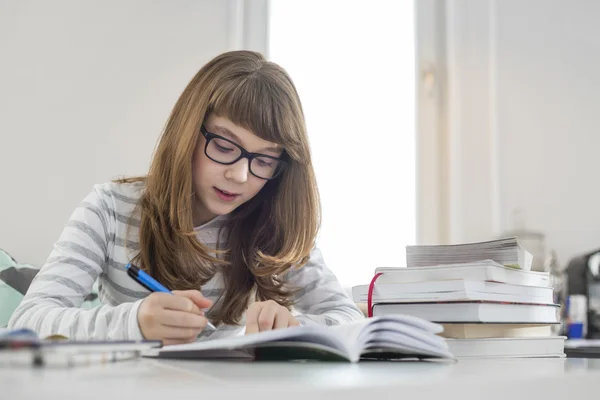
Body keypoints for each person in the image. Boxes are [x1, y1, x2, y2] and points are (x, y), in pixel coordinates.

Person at [8, 50, 364, 345]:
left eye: (265, 160)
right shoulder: (110, 210)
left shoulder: (272, 224)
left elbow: (348, 317)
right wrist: (134, 322)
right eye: (224, 146)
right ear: (188, 132)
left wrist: (298, 331)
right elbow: (27, 320)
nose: (239, 175)